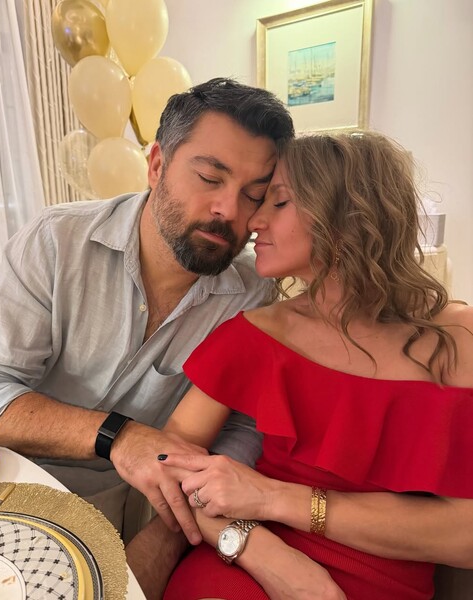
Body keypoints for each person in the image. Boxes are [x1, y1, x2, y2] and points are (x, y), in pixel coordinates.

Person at [0, 78, 294, 550]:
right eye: (209, 178)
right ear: (157, 165)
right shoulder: (56, 241)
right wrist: (118, 436)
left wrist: (173, 534)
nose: (228, 210)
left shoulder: (252, 293)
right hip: (2, 495)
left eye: (253, 194)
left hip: (134, 508)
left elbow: (239, 425)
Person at [141, 131, 473, 599]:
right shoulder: (255, 334)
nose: (253, 221)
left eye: (278, 202)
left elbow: (465, 538)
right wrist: (262, 552)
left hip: (382, 578)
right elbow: (170, 463)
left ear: (346, 218)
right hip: (242, 556)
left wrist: (276, 498)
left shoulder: (459, 340)